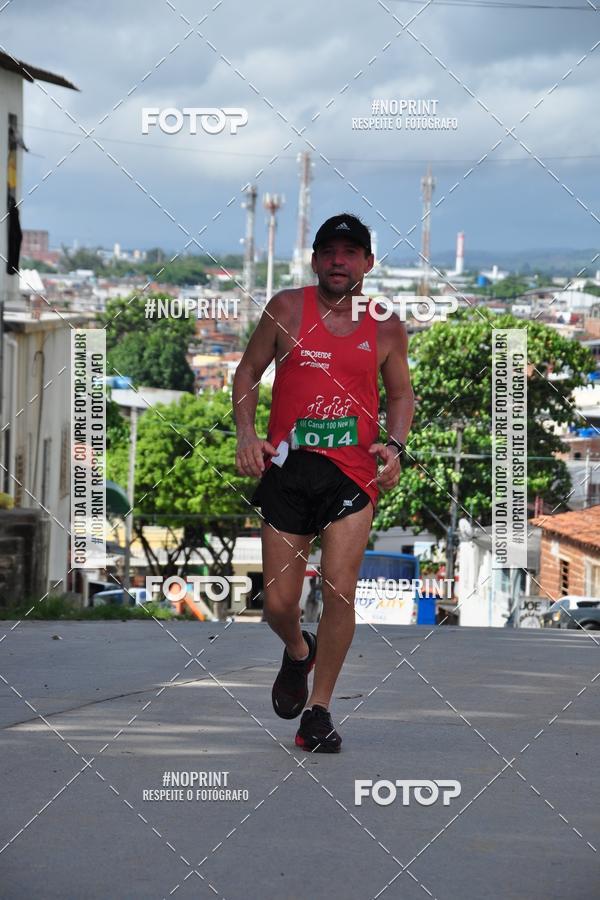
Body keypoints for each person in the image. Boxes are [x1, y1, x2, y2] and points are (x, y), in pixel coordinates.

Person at [232, 213, 414, 752]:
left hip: (352, 474)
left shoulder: (385, 323)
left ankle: (319, 711)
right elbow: (246, 373)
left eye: (350, 252)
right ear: (315, 261)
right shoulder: (287, 308)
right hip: (288, 469)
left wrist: (396, 443)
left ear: (368, 263)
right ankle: (297, 652)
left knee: (340, 591)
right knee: (279, 605)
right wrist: (246, 434)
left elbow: (401, 394)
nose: (339, 261)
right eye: (329, 252)